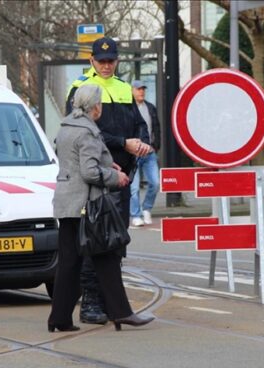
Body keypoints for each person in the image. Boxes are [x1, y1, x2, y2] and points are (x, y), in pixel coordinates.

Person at [48, 84, 154, 332]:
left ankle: (59, 319)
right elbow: (89, 172)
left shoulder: (66, 127)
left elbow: (74, 162)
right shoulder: (88, 132)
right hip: (88, 206)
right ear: (96, 107)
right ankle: (122, 313)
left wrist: (107, 164)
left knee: (69, 263)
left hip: (67, 204)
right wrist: (115, 176)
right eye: (100, 104)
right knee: (107, 255)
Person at [65, 36, 151, 325]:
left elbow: (139, 124)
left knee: (116, 241)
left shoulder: (124, 88)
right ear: (91, 60)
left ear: (117, 60)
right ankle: (91, 303)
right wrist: (124, 143)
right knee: (96, 241)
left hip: (123, 177)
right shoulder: (81, 89)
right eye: (101, 61)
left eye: (110, 60)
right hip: (97, 178)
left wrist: (142, 143)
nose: (106, 65)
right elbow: (83, 131)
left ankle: (110, 302)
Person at [129, 80, 161, 227]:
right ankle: (135, 215)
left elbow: (156, 128)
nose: (141, 91)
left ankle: (146, 208)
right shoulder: (128, 108)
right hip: (133, 153)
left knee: (155, 183)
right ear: (131, 91)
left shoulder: (150, 107)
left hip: (149, 152)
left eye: (143, 89)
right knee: (134, 187)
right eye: (138, 89)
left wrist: (155, 146)